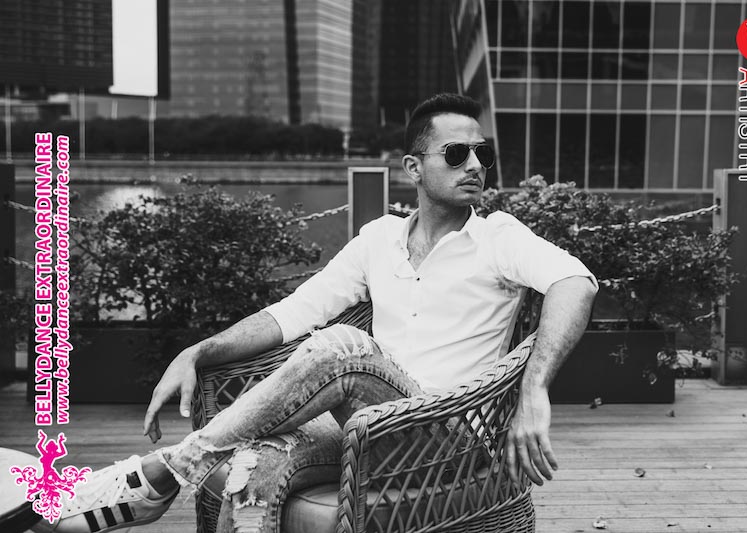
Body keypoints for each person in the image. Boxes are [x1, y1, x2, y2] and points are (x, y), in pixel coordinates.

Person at [49, 93, 597, 533]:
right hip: (366, 430)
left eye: (482, 154)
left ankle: (166, 469)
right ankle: (174, 477)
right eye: (457, 154)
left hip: (448, 436)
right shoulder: (378, 239)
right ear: (413, 167)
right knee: (251, 467)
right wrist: (199, 350)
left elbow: (576, 283)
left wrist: (534, 390)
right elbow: (293, 313)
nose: (475, 165)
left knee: (342, 349)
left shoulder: (498, 237)